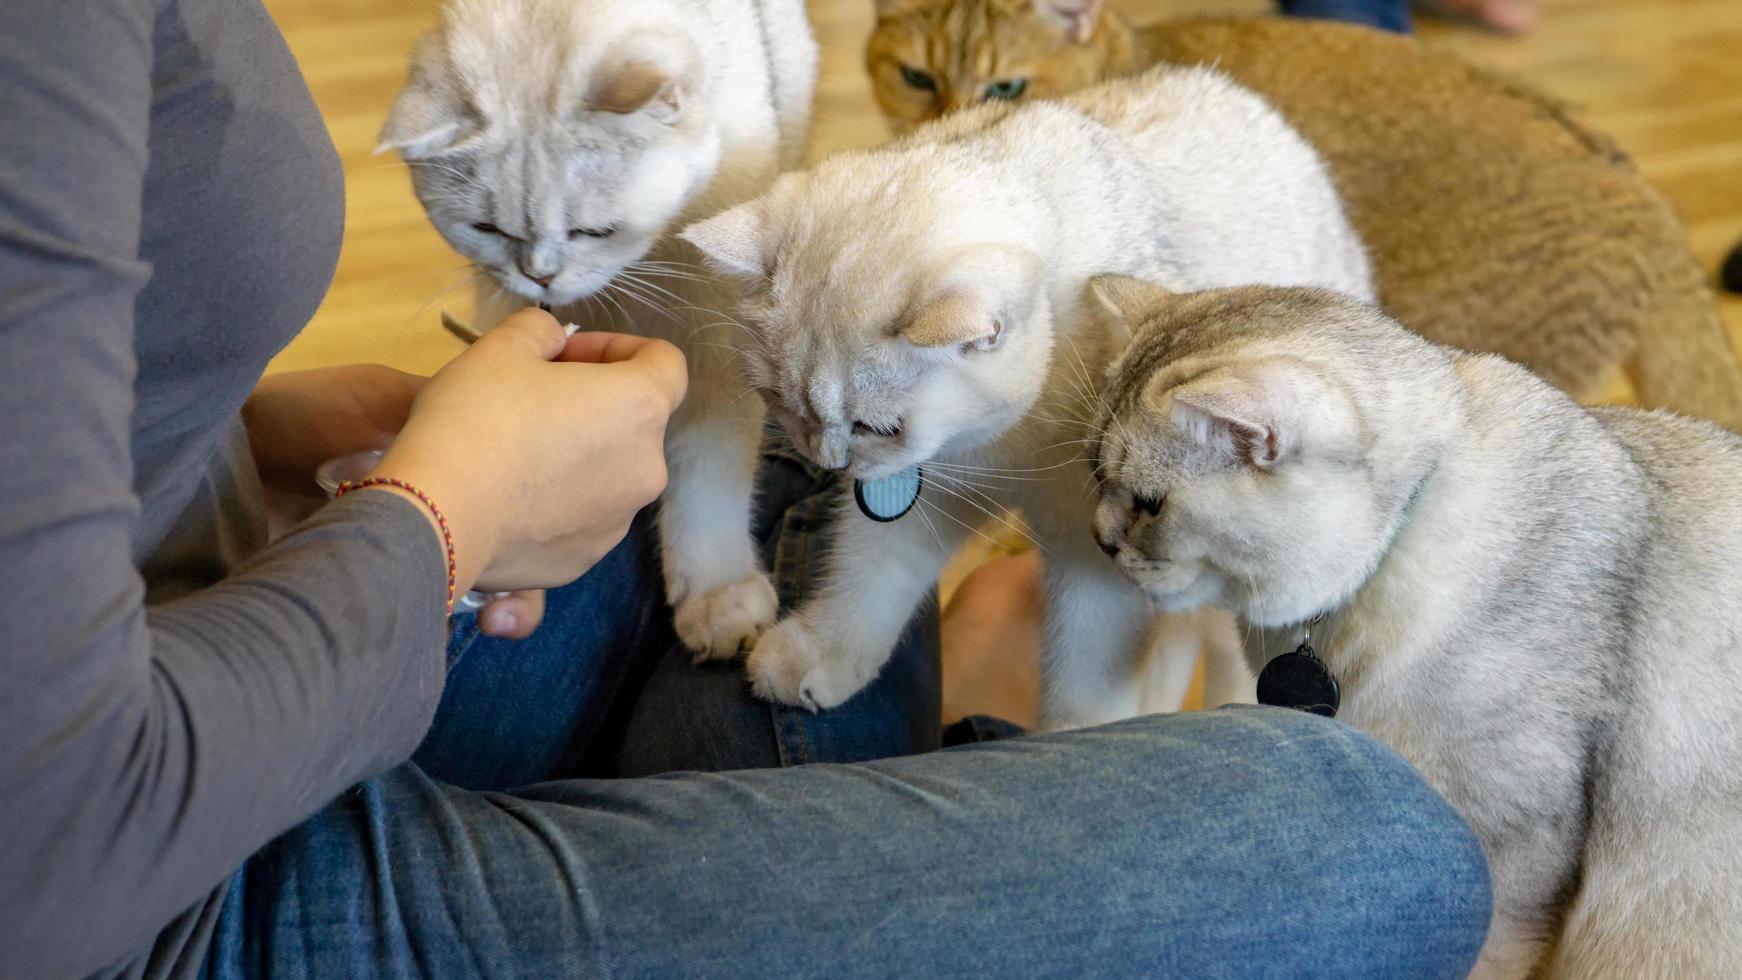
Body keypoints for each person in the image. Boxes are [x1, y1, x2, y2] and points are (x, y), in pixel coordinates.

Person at [0, 2, 1493, 977]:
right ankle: (967, 755)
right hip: (141, 892)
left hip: (174, 633)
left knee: (779, 479)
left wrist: (244, 435)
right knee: (1373, 840)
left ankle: (905, 798)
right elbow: (55, 837)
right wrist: (444, 513)